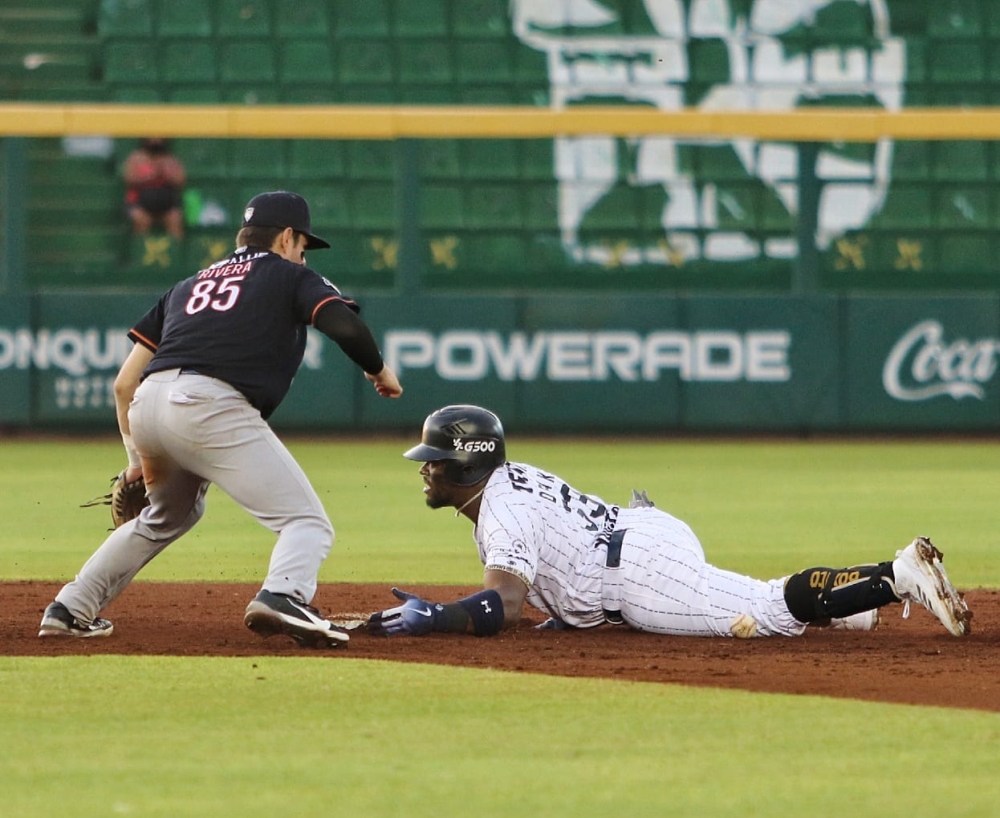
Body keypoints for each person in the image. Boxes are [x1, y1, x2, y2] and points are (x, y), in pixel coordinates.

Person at [40, 191, 403, 647]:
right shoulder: (288, 275)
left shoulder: (188, 285)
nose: (304, 257)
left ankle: (70, 608)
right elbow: (344, 326)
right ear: (287, 237)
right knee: (305, 523)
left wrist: (136, 458)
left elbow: (123, 384)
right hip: (208, 404)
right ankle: (283, 595)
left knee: (163, 517)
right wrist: (379, 371)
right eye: (303, 246)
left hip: (149, 403)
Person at [368, 405, 972, 640]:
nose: (426, 471)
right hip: (645, 533)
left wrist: (440, 617)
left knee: (760, 610)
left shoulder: (500, 511)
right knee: (730, 594)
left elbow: (505, 605)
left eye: (435, 461)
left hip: (638, 577)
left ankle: (896, 574)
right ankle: (855, 609)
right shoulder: (510, 475)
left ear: (467, 464)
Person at [123, 138, 187, 240]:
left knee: (175, 219)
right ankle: (140, 252)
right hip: (140, 204)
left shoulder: (170, 159)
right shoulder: (136, 158)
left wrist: (167, 175)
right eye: (152, 137)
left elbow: (181, 181)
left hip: (167, 205)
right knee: (140, 219)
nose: (155, 140)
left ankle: (175, 253)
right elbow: (129, 179)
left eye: (158, 137)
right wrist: (150, 177)